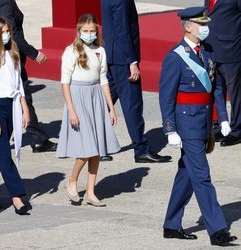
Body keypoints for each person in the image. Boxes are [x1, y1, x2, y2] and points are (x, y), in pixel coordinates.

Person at [159, 7, 238, 246]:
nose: (205, 28)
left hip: (203, 121)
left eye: (206, 23)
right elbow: (167, 96)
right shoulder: (175, 56)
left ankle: (171, 225)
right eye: (200, 24)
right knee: (202, 175)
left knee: (187, 173)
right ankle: (217, 230)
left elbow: (215, 88)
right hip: (186, 124)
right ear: (187, 26)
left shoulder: (208, 51)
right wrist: (170, 129)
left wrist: (223, 118)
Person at [56, 14, 120, 207]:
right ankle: (73, 179)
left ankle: (91, 191)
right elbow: (64, 83)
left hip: (96, 98)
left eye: (93, 31)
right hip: (78, 97)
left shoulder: (100, 50)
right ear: (79, 31)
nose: (90, 34)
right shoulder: (70, 51)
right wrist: (72, 110)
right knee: (87, 148)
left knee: (97, 149)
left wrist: (111, 108)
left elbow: (103, 80)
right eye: (86, 31)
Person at [101, 0, 171, 163]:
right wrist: (132, 62)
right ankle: (141, 149)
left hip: (111, 55)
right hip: (122, 58)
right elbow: (123, 30)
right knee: (133, 105)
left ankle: (92, 144)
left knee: (104, 101)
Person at [0, 0, 57, 153]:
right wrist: (34, 53)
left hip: (4, 59)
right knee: (23, 96)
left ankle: (35, 137)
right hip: (7, 61)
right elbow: (11, 33)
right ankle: (34, 139)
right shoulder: (3, 3)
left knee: (24, 97)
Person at [0, 15, 30, 215]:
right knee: (4, 150)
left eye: (8, 31)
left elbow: (19, 83)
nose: (6, 35)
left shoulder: (13, 51)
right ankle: (16, 195)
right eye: (3, 32)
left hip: (12, 103)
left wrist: (25, 107)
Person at [204, 0, 241, 146]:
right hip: (212, 48)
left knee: (235, 93)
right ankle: (222, 125)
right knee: (216, 89)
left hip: (231, 50)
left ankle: (237, 129)